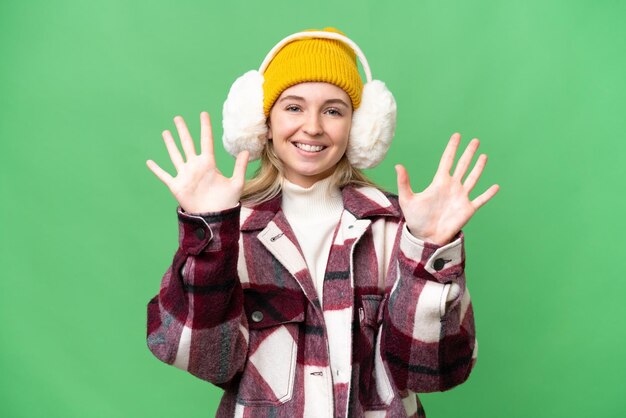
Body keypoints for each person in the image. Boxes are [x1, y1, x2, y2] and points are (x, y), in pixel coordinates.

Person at [145, 27, 499, 418]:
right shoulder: (232, 227)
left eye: (333, 110)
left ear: (360, 128)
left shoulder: (401, 226)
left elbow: (432, 372)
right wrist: (210, 233)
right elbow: (203, 358)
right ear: (262, 120)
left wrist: (428, 252)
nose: (312, 127)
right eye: (294, 107)